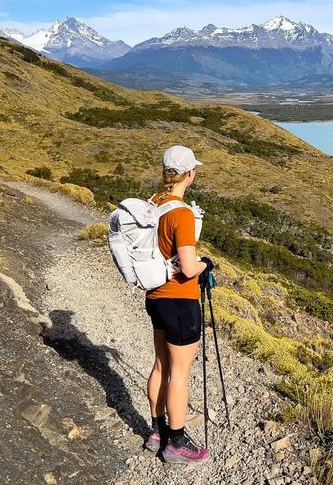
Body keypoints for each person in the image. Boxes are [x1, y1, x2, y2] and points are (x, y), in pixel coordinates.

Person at [144, 145, 211, 464]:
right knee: (179, 373)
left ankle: (157, 431)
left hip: (155, 297)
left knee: (161, 365)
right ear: (190, 175)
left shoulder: (154, 204)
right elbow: (187, 267)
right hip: (180, 301)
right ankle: (177, 442)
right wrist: (206, 264)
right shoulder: (182, 213)